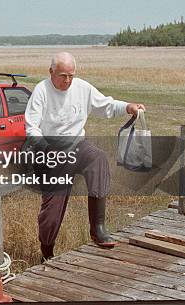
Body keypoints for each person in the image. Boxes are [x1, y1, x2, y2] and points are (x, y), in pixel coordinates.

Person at [25, 52, 146, 261]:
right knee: (53, 206)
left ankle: (97, 228)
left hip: (77, 145)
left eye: (71, 75)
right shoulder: (41, 90)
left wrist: (128, 107)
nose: (68, 80)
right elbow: (31, 127)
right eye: (63, 75)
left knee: (98, 158)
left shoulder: (82, 87)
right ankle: (47, 251)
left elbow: (106, 105)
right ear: (51, 72)